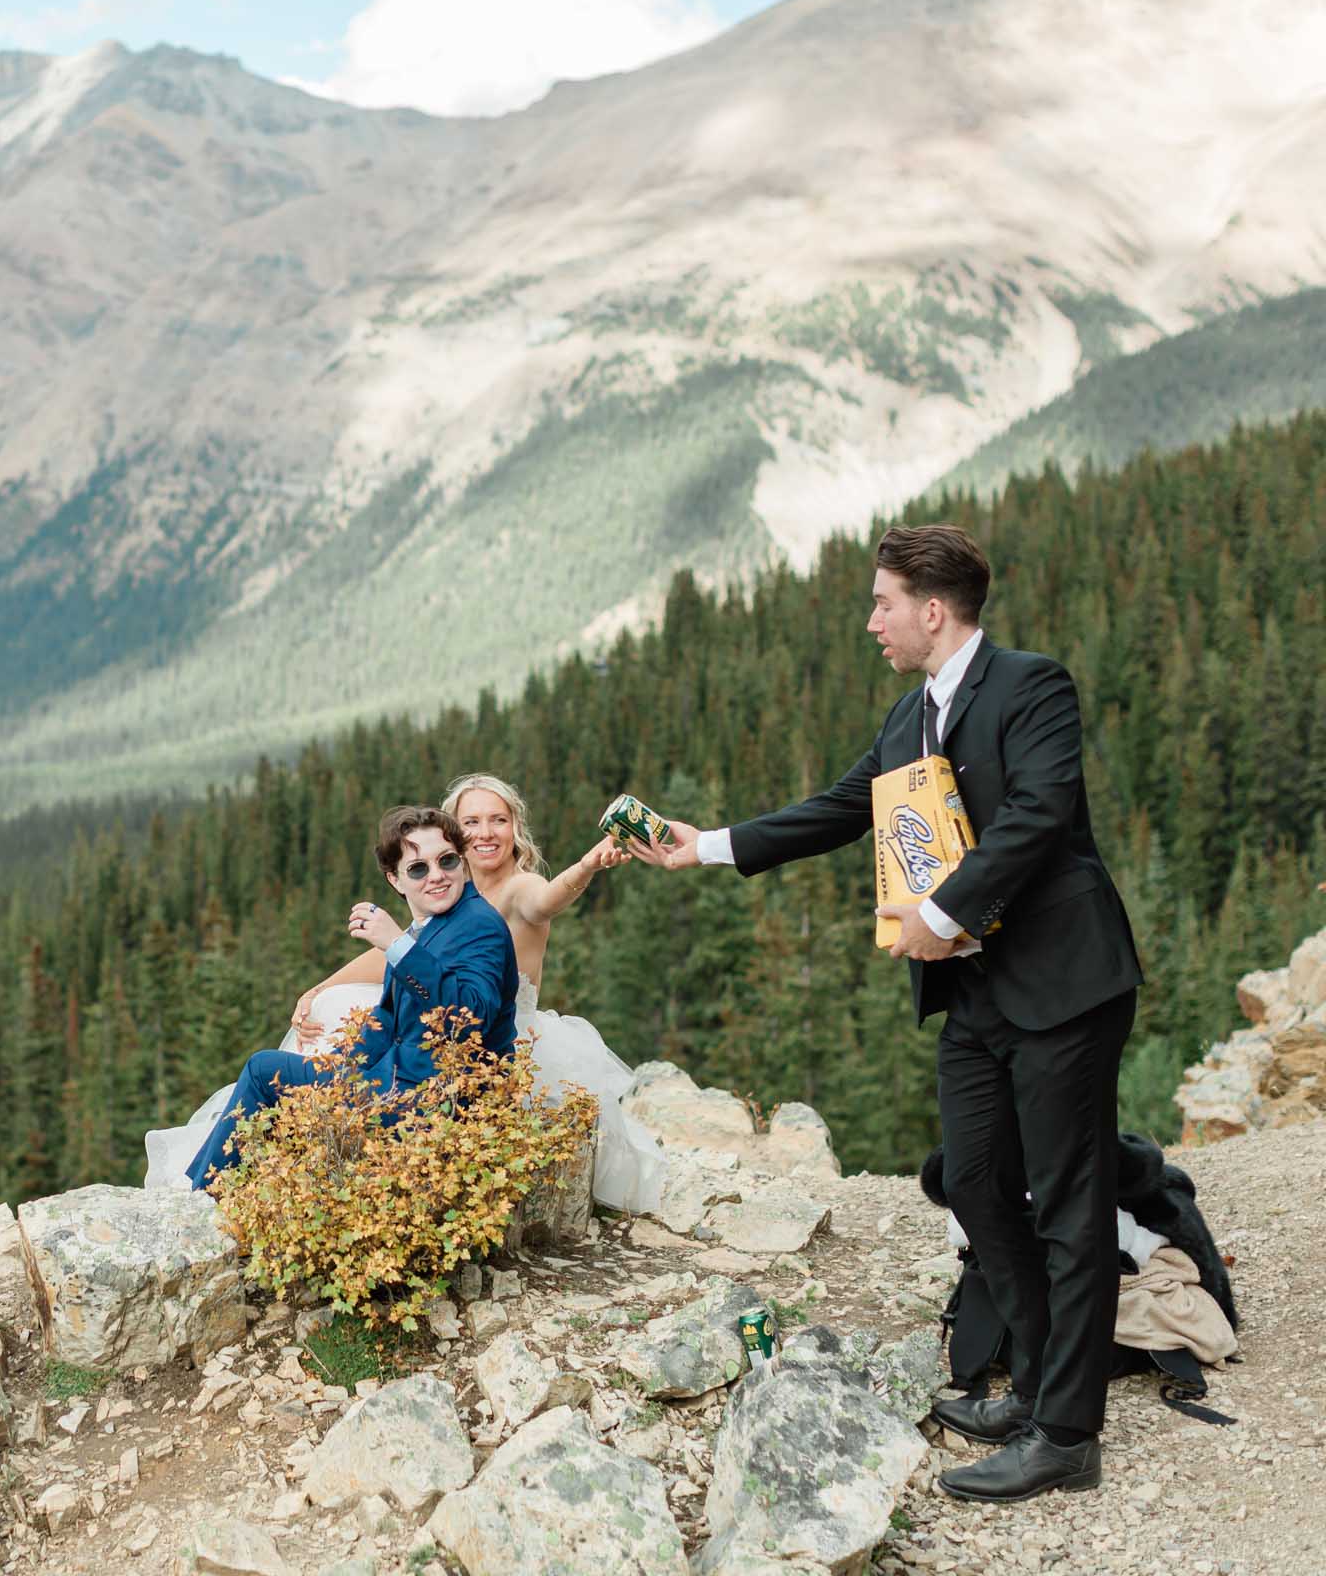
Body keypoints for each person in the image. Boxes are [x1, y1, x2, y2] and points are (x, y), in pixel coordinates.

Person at [625, 522, 1143, 1504]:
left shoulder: (1032, 686)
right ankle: (1027, 1388)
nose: (871, 621)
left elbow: (1039, 814)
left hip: (1063, 981)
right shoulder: (908, 716)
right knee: (976, 1183)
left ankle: (1066, 1435)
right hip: (975, 995)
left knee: (1070, 1207)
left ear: (931, 609)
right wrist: (703, 847)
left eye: (881, 602)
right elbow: (837, 807)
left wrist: (936, 913)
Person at [283, 773, 665, 1215]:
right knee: (337, 1008)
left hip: (498, 1035)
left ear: (515, 828)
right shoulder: (443, 886)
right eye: (472, 822)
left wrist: (586, 867)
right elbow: (395, 954)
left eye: (498, 820)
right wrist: (317, 989)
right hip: (444, 1018)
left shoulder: (518, 888)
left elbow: (547, 900)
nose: (485, 833)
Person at [176, 805, 519, 1191]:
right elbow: (389, 1021)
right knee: (269, 1072)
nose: (437, 876)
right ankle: (215, 1196)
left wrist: (397, 946)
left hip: (440, 1102)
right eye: (419, 868)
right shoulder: (431, 924)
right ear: (395, 880)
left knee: (263, 1073)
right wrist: (338, 1069)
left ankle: (204, 1200)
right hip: (400, 1081)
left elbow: (470, 1019)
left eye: (447, 861)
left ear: (463, 862)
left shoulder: (478, 925)